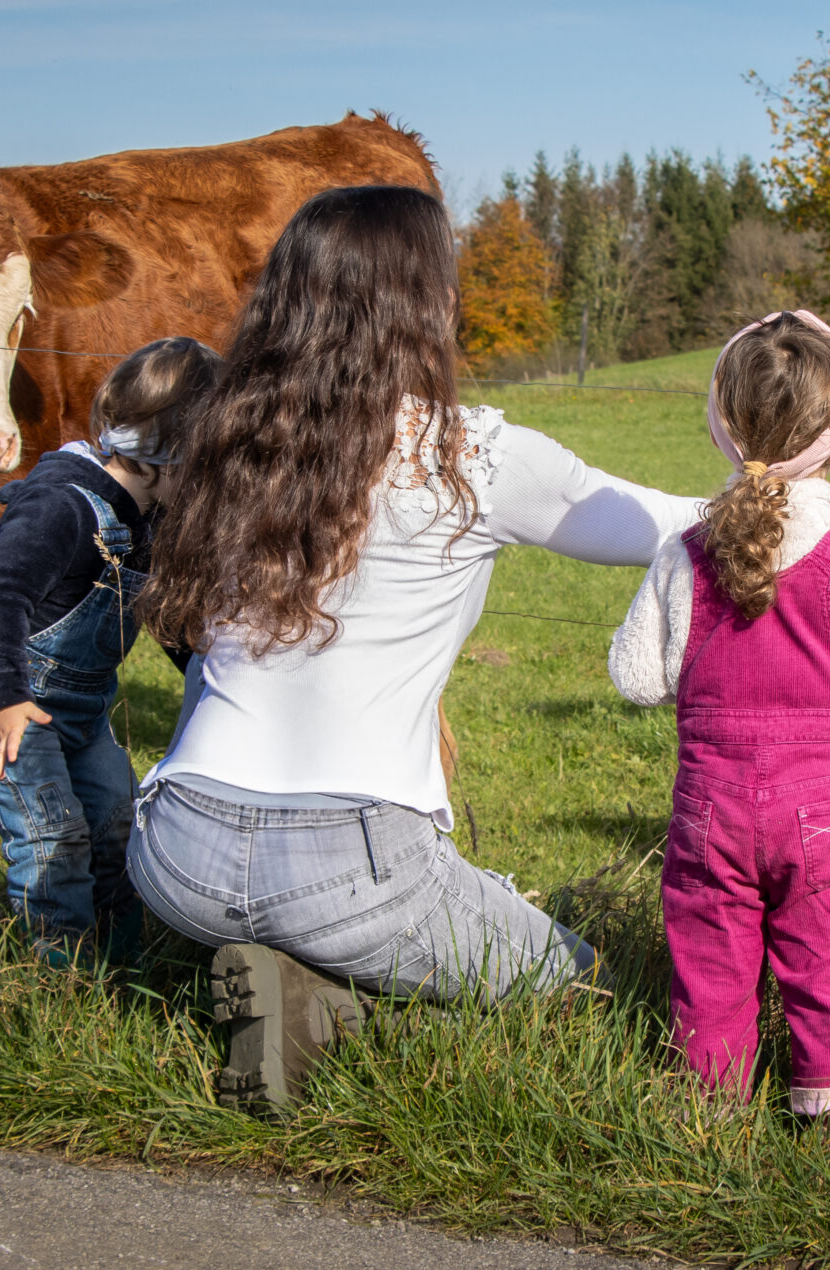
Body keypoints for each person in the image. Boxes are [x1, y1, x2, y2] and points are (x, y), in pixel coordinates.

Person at [128, 185, 707, 1115]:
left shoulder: (223, 440)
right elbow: (675, 528)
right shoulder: (471, 457)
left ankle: (291, 973)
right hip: (345, 859)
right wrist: (787, 478)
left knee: (392, 910)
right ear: (422, 303)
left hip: (175, 847)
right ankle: (330, 1008)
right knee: (575, 983)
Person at [607, 310, 830, 1131]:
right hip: (829, 822)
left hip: (709, 815)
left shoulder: (685, 552)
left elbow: (636, 676)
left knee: (711, 969)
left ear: (723, 429)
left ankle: (708, 1118)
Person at [0, 336, 218, 969]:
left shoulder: (147, 517)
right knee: (52, 839)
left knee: (119, 825)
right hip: (12, 709)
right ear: (167, 450)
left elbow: (165, 618)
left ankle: (121, 960)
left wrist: (212, 682)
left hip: (80, 713)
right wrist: (5, 698)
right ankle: (63, 975)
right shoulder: (63, 505)